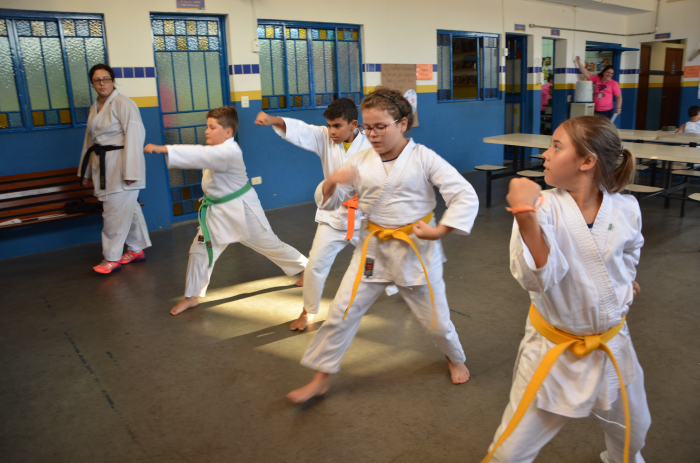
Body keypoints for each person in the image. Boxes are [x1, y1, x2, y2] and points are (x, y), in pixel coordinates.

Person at [286, 88, 479, 404]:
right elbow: (333, 200)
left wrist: (439, 231)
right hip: (372, 249)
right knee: (341, 313)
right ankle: (321, 378)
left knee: (437, 323)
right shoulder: (360, 161)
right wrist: (332, 181)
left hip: (415, 251)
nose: (372, 134)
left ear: (402, 124)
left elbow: (464, 194)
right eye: (368, 127)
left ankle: (455, 357)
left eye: (380, 126)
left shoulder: (423, 158)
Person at [481, 116, 651, 463]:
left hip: (612, 345)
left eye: (556, 147)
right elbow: (539, 279)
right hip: (554, 349)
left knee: (634, 432)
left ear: (587, 161)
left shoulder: (626, 207)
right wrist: (525, 215)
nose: (545, 154)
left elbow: (631, 251)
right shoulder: (542, 207)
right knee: (509, 454)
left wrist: (622, 282)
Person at [144, 107, 307, 316]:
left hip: (242, 210)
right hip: (216, 211)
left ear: (228, 132)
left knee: (270, 245)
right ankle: (192, 296)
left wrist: (164, 149)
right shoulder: (215, 150)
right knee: (200, 250)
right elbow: (204, 156)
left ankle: (306, 268)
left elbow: (198, 155)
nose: (206, 131)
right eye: (207, 127)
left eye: (212, 127)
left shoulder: (229, 152)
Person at [255, 98, 386, 332]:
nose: (332, 131)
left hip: (366, 218)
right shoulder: (325, 137)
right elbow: (300, 130)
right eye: (329, 125)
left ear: (353, 124)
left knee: (385, 258)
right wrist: (273, 120)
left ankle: (406, 288)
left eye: (337, 126)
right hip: (333, 216)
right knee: (315, 265)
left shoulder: (373, 144)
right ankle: (308, 311)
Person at [78, 64, 152, 275]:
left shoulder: (123, 103)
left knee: (113, 214)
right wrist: (85, 172)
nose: (102, 83)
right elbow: (89, 141)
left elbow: (135, 136)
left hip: (121, 167)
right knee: (129, 210)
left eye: (106, 79)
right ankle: (136, 250)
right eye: (97, 80)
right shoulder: (95, 107)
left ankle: (111, 258)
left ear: (113, 81)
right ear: (92, 83)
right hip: (103, 164)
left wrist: (132, 172)